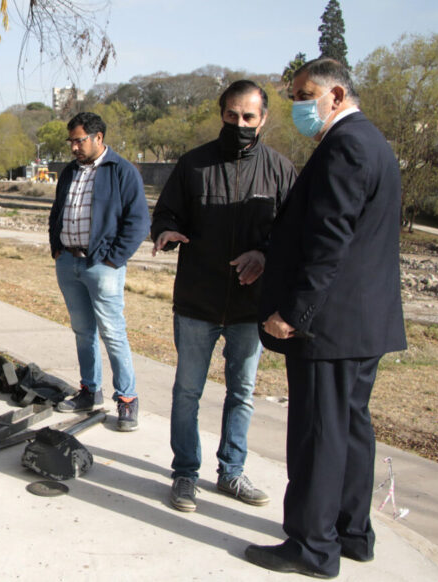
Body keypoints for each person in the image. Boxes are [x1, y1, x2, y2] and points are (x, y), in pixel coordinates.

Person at [246, 58, 406, 579]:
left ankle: (312, 546)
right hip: (362, 322)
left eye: (302, 94)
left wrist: (295, 312)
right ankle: (352, 532)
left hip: (331, 325)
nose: (296, 105)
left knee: (319, 433)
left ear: (335, 95)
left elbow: (329, 242)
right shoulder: (372, 143)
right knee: (351, 428)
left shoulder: (347, 147)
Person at [151, 80, 297, 513]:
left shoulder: (280, 170)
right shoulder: (193, 165)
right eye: (232, 115)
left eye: (248, 117)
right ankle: (185, 473)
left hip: (251, 308)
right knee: (187, 392)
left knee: (242, 393)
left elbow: (294, 235)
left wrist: (266, 255)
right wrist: (165, 232)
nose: (240, 124)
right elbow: (165, 212)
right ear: (221, 114)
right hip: (197, 300)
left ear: (263, 118)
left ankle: (231, 472)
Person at [48, 111, 150, 431]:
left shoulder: (121, 170)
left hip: (102, 266)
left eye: (79, 140)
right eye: (71, 141)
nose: (74, 147)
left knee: (113, 333)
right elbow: (58, 210)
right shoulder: (69, 172)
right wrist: (56, 246)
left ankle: (127, 399)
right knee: (83, 331)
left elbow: (139, 222)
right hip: (68, 262)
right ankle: (90, 391)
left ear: (98, 138)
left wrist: (114, 259)